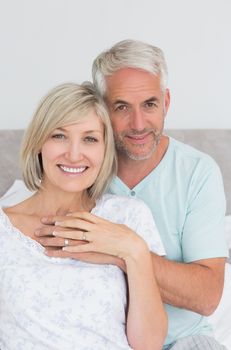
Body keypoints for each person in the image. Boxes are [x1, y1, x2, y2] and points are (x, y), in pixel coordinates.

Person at [37, 40, 228, 349]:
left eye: (150, 104)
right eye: (122, 107)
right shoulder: (75, 169)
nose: (138, 125)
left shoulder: (197, 172)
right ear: (100, 108)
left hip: (182, 340)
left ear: (166, 102)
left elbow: (206, 297)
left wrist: (125, 252)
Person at [0, 82, 168, 349]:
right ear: (38, 143)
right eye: (59, 136)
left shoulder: (127, 216)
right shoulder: (3, 230)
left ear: (104, 150)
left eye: (90, 139)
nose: (74, 154)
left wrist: (133, 251)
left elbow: (149, 344)